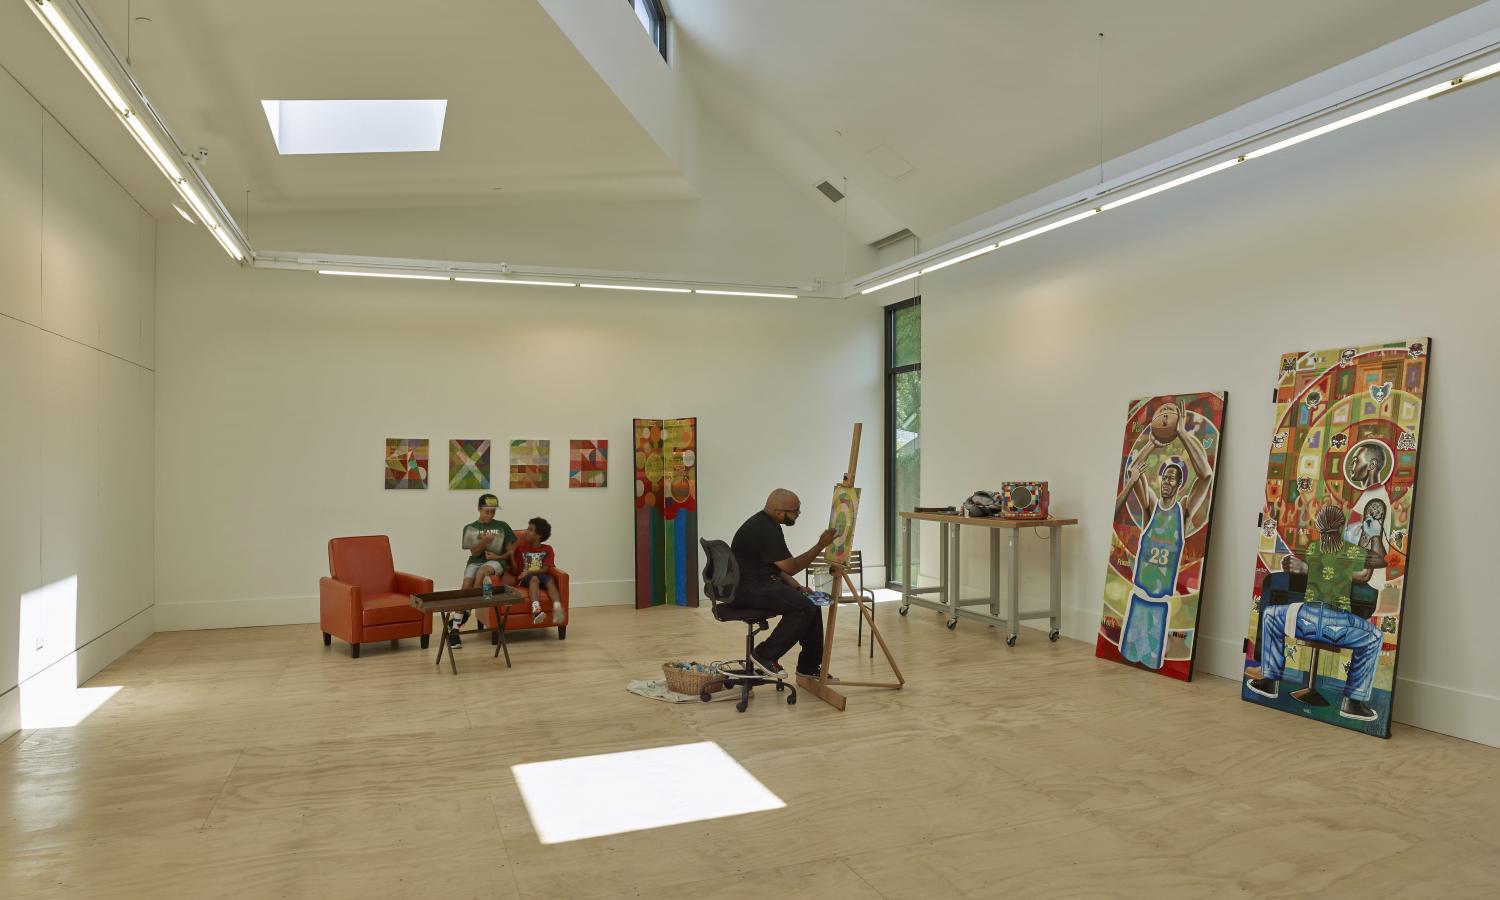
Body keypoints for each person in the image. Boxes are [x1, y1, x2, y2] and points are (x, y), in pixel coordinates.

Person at [1246, 504, 1387, 722]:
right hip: (1338, 625)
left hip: (1304, 620)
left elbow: (1320, 567)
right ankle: (1352, 701)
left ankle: (1269, 680)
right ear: (1341, 528)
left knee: (1271, 615)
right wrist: (1375, 535)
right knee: (1375, 637)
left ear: (1319, 529)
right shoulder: (1350, 551)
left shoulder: (1312, 548)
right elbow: (1376, 564)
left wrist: (1303, 568)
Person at [1111, 404, 1213, 668]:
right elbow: (1133, 471)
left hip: (1159, 605)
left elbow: (1206, 475)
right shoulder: (1150, 508)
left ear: (1179, 486)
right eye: (1164, 477)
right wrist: (1152, 444)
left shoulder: (1184, 513)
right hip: (1138, 599)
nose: (1167, 481)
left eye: (1172, 479)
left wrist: (1181, 432)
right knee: (1128, 663)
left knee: (1153, 668)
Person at [729, 489, 836, 679]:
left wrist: (797, 588)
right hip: (748, 589)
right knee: (804, 607)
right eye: (795, 511)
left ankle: (808, 667)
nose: (797, 515)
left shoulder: (767, 523)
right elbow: (791, 567)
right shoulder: (765, 529)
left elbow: (777, 566)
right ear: (779, 512)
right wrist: (821, 545)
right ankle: (765, 654)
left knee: (810, 601)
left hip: (759, 583)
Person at [457, 494, 516, 647]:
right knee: (465, 585)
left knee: (482, 571)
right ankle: (454, 628)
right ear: (479, 509)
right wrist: (484, 541)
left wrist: (498, 556)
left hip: (495, 563)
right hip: (474, 562)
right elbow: (475, 553)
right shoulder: (470, 528)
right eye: (486, 511)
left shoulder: (502, 526)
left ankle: (469, 610)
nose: (490, 515)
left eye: (493, 512)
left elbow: (510, 551)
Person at [512, 517, 562, 625]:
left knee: (550, 581)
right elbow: (517, 569)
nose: (526, 531)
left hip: (540, 575)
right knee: (534, 579)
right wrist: (511, 555)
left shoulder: (547, 549)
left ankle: (557, 608)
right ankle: (536, 610)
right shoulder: (521, 549)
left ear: (538, 535)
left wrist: (529, 571)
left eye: (530, 530)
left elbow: (545, 569)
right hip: (527, 578)